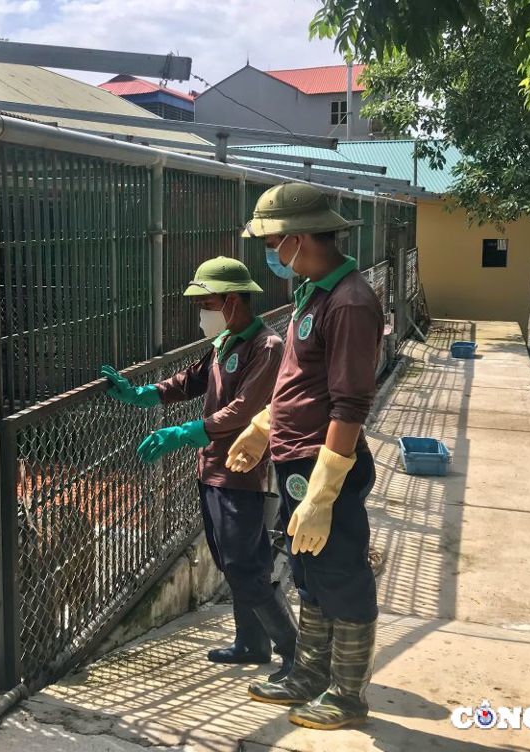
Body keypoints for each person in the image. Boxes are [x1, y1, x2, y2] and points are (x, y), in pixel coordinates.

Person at [226, 183, 384, 730]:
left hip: (326, 466)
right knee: (309, 571)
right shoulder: (314, 294)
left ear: (295, 239)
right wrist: (263, 425)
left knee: (342, 571)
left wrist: (322, 492)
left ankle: (347, 693)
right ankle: (312, 675)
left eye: (271, 241)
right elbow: (299, 384)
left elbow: (349, 404)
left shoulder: (351, 302)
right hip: (297, 460)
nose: (269, 253)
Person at [100, 256, 297, 681]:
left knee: (247, 565)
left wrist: (185, 432)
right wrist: (141, 393)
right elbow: (190, 381)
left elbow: (244, 410)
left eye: (205, 304)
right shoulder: (225, 342)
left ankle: (292, 651)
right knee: (232, 561)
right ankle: (251, 642)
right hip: (212, 469)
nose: (200, 314)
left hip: (243, 472)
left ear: (230, 301)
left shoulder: (267, 347)